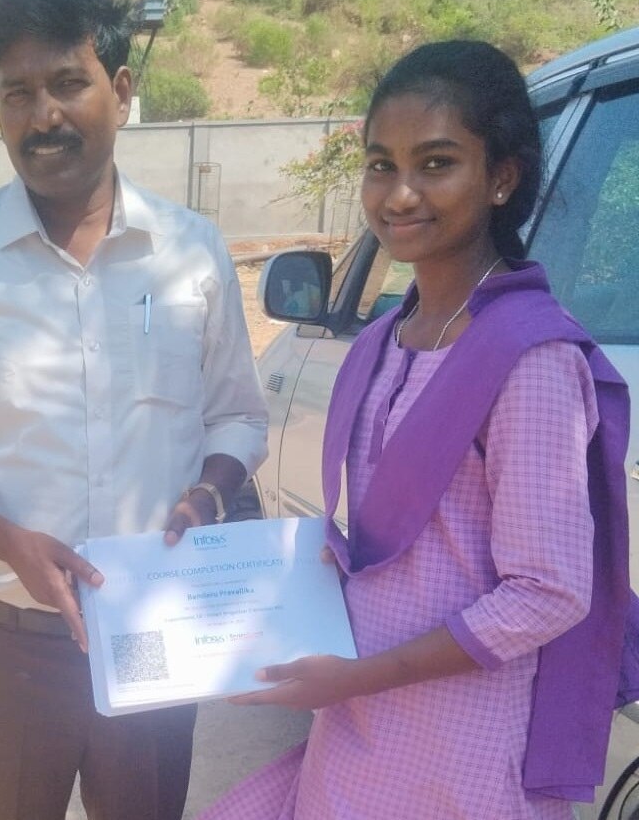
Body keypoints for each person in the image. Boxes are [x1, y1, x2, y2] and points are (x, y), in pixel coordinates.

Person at [199, 41, 635, 820]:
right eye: (379, 165)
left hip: (459, 749)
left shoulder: (529, 358)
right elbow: (382, 550)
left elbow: (548, 592)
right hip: (356, 726)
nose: (399, 194)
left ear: (502, 176)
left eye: (436, 164)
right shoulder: (383, 340)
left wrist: (361, 675)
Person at [0, 0, 269, 820]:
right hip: (2, 651)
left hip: (154, 638)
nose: (43, 115)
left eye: (66, 84)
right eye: (16, 93)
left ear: (120, 90)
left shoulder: (192, 252)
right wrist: (10, 540)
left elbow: (237, 413)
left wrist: (211, 490)